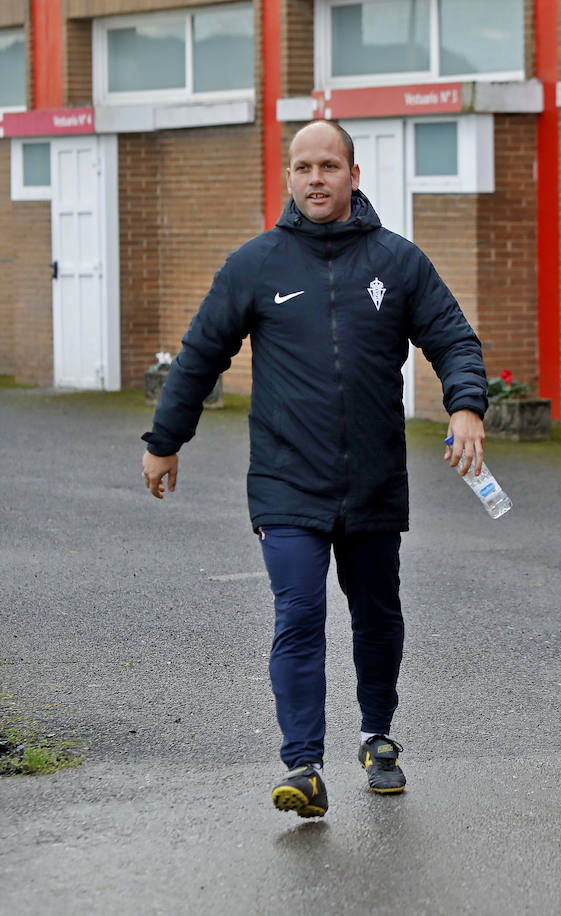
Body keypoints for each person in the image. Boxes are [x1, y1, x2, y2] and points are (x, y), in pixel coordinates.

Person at [141, 119, 488, 818]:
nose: (315, 179)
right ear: (289, 179)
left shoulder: (399, 262)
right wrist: (164, 438)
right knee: (298, 613)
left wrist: (466, 409)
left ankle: (377, 736)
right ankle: (302, 766)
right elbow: (201, 353)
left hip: (373, 478)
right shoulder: (255, 264)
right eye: (303, 168)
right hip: (285, 481)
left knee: (377, 615)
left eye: (329, 166)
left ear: (353, 175)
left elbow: (452, 338)